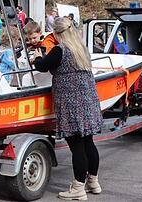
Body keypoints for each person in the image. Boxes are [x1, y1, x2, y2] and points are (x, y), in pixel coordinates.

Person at [32, 17, 103, 200]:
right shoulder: (81, 48)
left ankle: (78, 188)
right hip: (88, 100)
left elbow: (42, 67)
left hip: (71, 103)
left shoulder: (60, 50)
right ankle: (93, 182)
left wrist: (37, 57)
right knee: (88, 142)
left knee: (76, 146)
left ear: (56, 33)